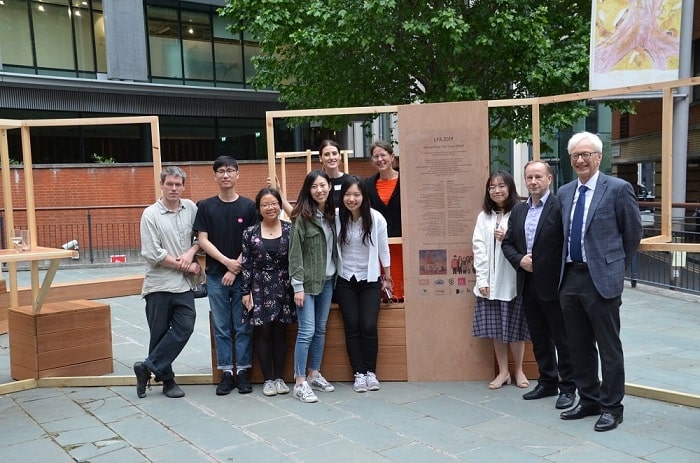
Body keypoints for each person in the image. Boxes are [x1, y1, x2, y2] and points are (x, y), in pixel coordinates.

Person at [558, 131, 642, 432]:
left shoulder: (618, 188)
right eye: (575, 156)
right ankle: (589, 398)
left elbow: (632, 234)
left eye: (586, 155)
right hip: (570, 278)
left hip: (601, 280)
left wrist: (615, 268)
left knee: (608, 346)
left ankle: (611, 407)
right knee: (578, 346)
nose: (580, 160)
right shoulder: (565, 192)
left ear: (599, 157)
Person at [502, 160, 576, 410]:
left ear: (549, 179)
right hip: (528, 283)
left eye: (538, 177)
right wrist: (519, 260)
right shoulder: (520, 210)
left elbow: (566, 243)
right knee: (539, 337)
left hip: (555, 285)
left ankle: (568, 386)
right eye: (529, 177)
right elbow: (507, 244)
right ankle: (547, 381)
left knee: (562, 338)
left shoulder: (560, 207)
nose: (533, 182)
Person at [134, 166, 202, 399]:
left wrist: (192, 252)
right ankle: (168, 382)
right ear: (161, 185)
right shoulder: (150, 214)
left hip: (183, 285)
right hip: (159, 285)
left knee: (186, 326)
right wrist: (184, 264)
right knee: (159, 334)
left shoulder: (191, 208)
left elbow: (199, 237)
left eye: (178, 184)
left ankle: (146, 368)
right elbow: (152, 253)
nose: (174, 188)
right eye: (169, 184)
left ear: (183, 186)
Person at [194, 156, 259, 395]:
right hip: (215, 276)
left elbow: (253, 240)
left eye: (230, 170)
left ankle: (242, 370)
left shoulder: (249, 207)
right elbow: (202, 240)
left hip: (242, 277)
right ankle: (226, 373)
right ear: (215, 176)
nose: (225, 175)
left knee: (242, 325)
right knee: (221, 326)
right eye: (221, 171)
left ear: (237, 174)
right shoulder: (206, 206)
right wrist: (226, 263)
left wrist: (236, 267)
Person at [471, 171, 530, 390]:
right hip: (490, 282)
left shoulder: (520, 212)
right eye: (492, 187)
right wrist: (482, 279)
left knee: (516, 329)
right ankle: (503, 371)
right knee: (496, 329)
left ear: (510, 188)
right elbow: (479, 248)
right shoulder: (483, 216)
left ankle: (519, 369)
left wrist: (508, 238)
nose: (497, 190)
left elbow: (527, 243)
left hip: (513, 281)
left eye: (501, 186)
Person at [334, 176, 391, 392]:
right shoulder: (337, 217)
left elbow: (384, 249)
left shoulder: (376, 219)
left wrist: (387, 277)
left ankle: (370, 371)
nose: (352, 199)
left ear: (363, 196)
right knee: (352, 326)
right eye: (347, 194)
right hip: (345, 279)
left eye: (356, 194)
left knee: (368, 325)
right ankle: (358, 372)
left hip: (370, 279)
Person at [288, 170, 338, 403]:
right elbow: (294, 255)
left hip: (327, 281)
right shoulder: (302, 218)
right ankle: (299, 382)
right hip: (306, 284)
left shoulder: (331, 215)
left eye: (323, 185)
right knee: (306, 331)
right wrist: (297, 286)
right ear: (308, 190)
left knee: (320, 329)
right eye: (314, 186)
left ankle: (314, 373)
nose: (320, 190)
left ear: (329, 186)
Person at [240, 188, 295, 397]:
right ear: (259, 208)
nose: (270, 207)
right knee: (263, 332)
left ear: (280, 205)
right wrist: (245, 291)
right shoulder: (250, 232)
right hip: (259, 286)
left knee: (281, 333)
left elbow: (296, 260)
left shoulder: (291, 229)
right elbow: (246, 264)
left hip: (284, 285)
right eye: (265, 204)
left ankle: (280, 377)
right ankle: (268, 379)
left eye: (274, 203)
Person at [364, 140, 403, 301]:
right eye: (375, 156)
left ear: (392, 156)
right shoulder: (367, 185)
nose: (380, 159)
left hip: (402, 245)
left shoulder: (405, 181)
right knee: (383, 293)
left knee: (402, 289)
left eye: (383, 155)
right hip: (378, 247)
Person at [319, 139, 350, 205]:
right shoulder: (316, 182)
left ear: (340, 156)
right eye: (327, 154)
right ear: (320, 158)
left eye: (334, 153)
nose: (331, 157)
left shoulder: (350, 180)